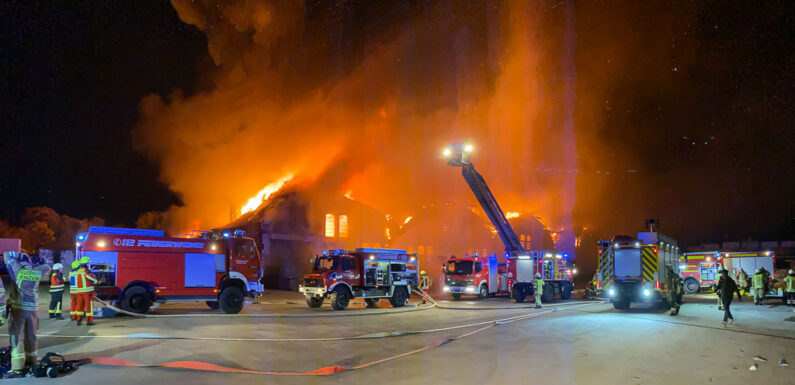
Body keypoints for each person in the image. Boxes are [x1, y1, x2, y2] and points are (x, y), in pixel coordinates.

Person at [3, 251, 51, 378]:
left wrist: (15, 255)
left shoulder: (17, 269)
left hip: (19, 309)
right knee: (31, 336)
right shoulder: (37, 271)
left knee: (17, 337)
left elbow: (7, 256)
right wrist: (41, 261)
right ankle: (32, 362)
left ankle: (17, 368)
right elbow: (48, 265)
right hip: (33, 310)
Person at [74, 257, 97, 326]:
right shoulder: (87, 272)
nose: (89, 264)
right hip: (87, 293)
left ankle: (79, 320)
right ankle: (89, 321)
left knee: (79, 306)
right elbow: (94, 280)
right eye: (88, 263)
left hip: (79, 292)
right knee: (88, 307)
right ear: (86, 264)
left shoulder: (78, 271)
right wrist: (96, 281)